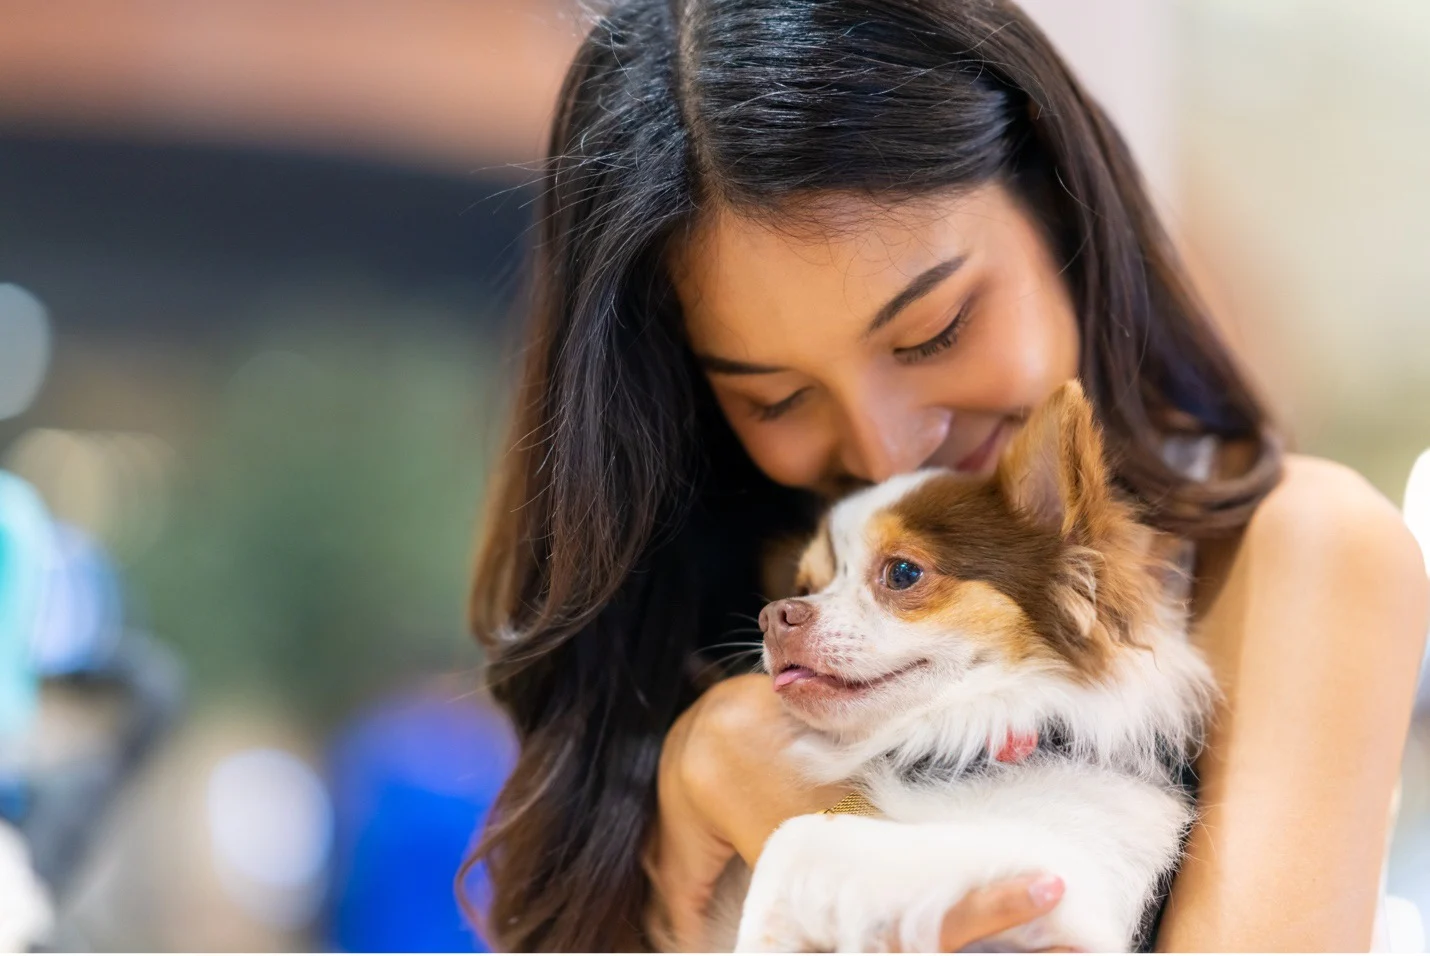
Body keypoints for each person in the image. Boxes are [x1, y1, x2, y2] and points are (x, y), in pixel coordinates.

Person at [464, 0, 1430, 950]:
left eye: (936, 332)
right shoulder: (709, 617)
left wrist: (792, 813)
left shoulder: (1301, 547)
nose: (888, 451)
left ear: (1056, 200)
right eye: (777, 398)